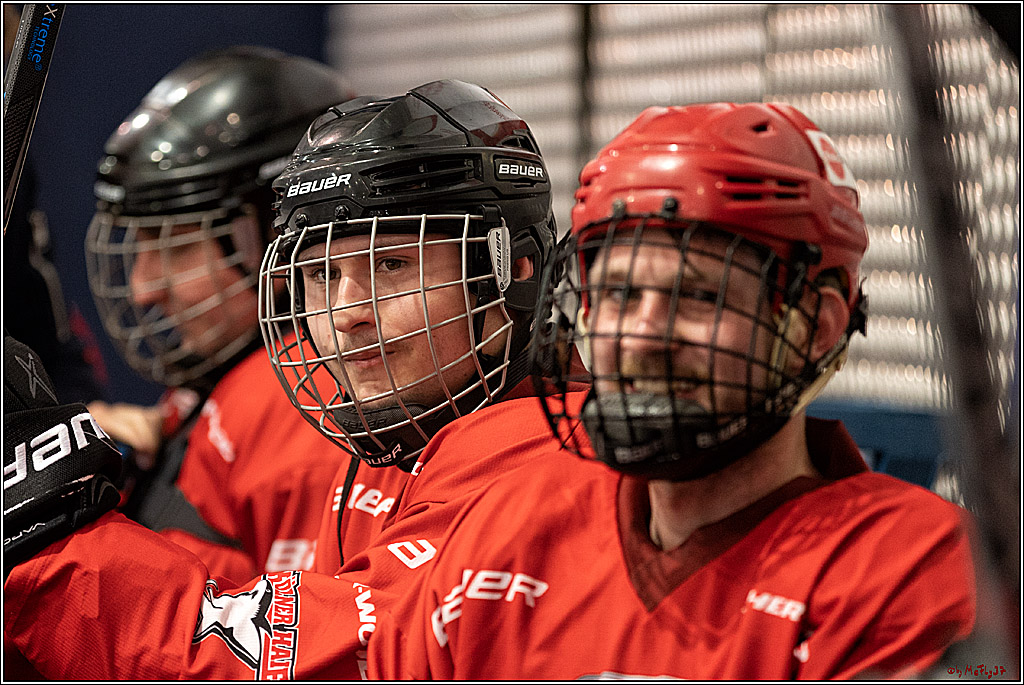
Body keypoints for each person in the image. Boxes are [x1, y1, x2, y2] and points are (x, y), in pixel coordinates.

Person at [365, 103, 978, 680]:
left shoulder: (912, 571)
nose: (642, 336)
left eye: (699, 297)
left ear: (815, 328)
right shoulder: (513, 521)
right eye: (618, 295)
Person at [4, 79, 588, 680]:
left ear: (514, 271)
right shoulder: (403, 428)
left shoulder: (543, 466)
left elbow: (311, 656)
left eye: (391, 264)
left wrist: (45, 540)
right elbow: (266, 599)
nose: (346, 311)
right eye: (320, 274)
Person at [78, 46, 354, 581]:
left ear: (284, 236)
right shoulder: (228, 376)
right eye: (139, 247)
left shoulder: (303, 408)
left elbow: (293, 633)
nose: (142, 288)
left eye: (178, 247)